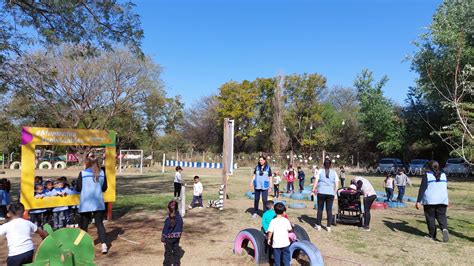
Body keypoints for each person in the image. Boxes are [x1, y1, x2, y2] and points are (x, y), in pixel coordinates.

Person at [76, 154, 108, 254]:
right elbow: (104, 188)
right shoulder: (102, 173)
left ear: (87, 163)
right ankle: (104, 245)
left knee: (84, 225)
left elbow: (78, 188)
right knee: (99, 224)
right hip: (98, 203)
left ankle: (84, 246)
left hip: (86, 203)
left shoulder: (83, 173)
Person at [416, 161, 449, 242]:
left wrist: (418, 201)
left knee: (430, 217)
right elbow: (444, 187)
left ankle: (432, 235)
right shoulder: (444, 175)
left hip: (430, 200)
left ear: (429, 167)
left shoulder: (427, 175)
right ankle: (444, 229)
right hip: (442, 199)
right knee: (442, 216)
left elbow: (422, 189)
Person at [311, 159, 338, 232]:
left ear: (323, 165)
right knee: (329, 210)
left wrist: (313, 190)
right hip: (330, 193)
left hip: (321, 192)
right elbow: (336, 184)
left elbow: (316, 181)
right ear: (330, 165)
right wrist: (335, 193)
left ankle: (318, 225)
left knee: (320, 209)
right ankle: (328, 226)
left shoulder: (320, 171)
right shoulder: (334, 172)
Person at [162, 200, 183, 266]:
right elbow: (180, 228)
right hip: (176, 238)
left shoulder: (168, 220)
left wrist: (163, 238)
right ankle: (177, 264)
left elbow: (165, 230)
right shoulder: (180, 218)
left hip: (168, 239)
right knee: (176, 251)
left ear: (169, 209)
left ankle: (166, 264)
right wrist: (178, 235)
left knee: (168, 252)